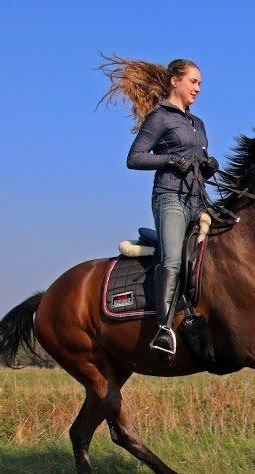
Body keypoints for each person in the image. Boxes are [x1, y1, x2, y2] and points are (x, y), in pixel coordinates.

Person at [100, 57, 219, 355]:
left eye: (200, 84)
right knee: (173, 260)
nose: (198, 89)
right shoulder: (160, 118)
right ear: (175, 81)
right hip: (170, 198)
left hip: (198, 199)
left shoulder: (197, 123)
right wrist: (168, 160)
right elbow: (135, 158)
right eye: (194, 82)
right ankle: (164, 330)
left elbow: (198, 165)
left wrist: (208, 166)